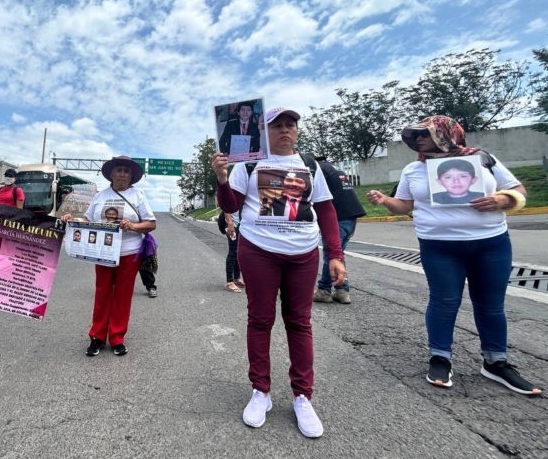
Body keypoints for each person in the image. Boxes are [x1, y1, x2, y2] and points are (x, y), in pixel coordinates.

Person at [366, 116, 541, 396]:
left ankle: (496, 362)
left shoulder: (483, 159)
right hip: (439, 245)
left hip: (491, 243)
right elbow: (403, 205)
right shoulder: (413, 169)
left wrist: (504, 200)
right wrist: (385, 201)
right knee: (444, 301)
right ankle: (440, 357)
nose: (417, 140)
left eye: (425, 133)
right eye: (414, 135)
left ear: (447, 133)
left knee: (491, 304)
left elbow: (518, 190)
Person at [212, 107, 346, 438]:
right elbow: (230, 205)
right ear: (264, 132)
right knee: (260, 320)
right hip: (258, 251)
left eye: (290, 125)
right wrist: (221, 179)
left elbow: (327, 211)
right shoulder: (249, 163)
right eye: (277, 126)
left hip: (303, 254)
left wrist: (336, 254)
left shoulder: (310, 165)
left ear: (297, 131)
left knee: (300, 323)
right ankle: (261, 392)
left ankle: (303, 397)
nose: (285, 130)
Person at [62, 155, 156, 357]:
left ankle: (117, 337)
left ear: (131, 176)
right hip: (102, 253)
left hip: (129, 253)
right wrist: (72, 219)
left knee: (122, 296)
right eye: (119, 170)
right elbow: (87, 219)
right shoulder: (100, 196)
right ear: (111, 174)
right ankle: (97, 336)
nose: (122, 174)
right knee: (102, 293)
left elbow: (151, 223)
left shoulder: (137, 196)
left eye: (127, 171)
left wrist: (133, 226)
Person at [313, 157, 366, 305]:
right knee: (337, 255)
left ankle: (324, 290)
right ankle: (342, 290)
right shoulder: (334, 169)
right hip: (350, 215)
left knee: (332, 254)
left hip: (338, 216)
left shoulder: (318, 170)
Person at [223, 210, 245, 292]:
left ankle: (236, 278)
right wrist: (230, 223)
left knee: (239, 252)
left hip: (241, 225)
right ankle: (229, 282)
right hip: (232, 225)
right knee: (233, 251)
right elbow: (226, 206)